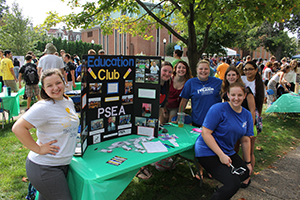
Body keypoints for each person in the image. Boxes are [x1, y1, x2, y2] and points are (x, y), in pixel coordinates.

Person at [12, 68, 79, 200]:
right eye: (49, 85)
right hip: (45, 167)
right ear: (44, 88)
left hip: (61, 164)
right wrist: (39, 149)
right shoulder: (43, 107)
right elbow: (18, 128)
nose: (55, 88)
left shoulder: (67, 101)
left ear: (64, 81)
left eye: (58, 83)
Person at [195, 82, 253, 200]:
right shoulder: (218, 109)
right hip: (207, 151)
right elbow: (206, 133)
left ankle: (221, 190)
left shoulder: (247, 115)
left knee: (245, 173)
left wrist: (248, 162)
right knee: (233, 184)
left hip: (227, 151)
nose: (236, 98)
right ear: (228, 94)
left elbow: (246, 140)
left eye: (240, 95)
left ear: (245, 96)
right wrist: (221, 155)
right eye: (233, 95)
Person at [220, 67, 256, 186]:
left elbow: (252, 110)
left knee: (248, 151)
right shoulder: (226, 92)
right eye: (228, 75)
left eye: (233, 75)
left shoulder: (246, 90)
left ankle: (247, 176)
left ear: (237, 76)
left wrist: (249, 125)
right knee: (234, 150)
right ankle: (235, 172)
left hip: (247, 123)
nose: (231, 77)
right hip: (234, 125)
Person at [179, 60, 222, 127]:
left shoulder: (218, 82)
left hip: (215, 122)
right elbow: (184, 101)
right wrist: (180, 116)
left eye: (206, 69)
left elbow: (227, 95)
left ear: (209, 70)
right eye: (201, 69)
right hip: (197, 121)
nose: (203, 71)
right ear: (197, 70)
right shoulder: (190, 83)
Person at [241, 61, 264, 171]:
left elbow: (256, 107)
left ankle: (248, 174)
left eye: (250, 69)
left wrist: (252, 123)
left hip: (251, 117)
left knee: (249, 150)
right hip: (239, 116)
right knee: (238, 146)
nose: (247, 71)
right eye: (245, 69)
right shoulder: (241, 79)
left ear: (256, 70)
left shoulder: (258, 84)